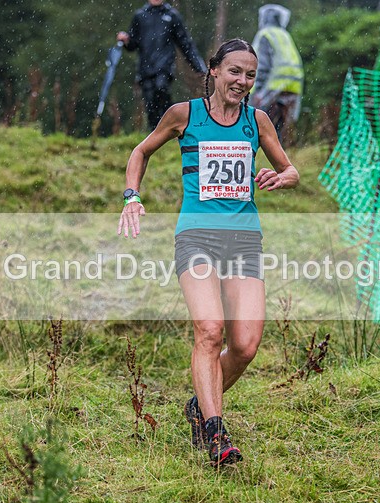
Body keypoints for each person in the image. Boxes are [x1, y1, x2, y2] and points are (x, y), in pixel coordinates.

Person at [118, 39, 299, 467]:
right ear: (214, 71)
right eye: (234, 71)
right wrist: (131, 196)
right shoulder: (185, 115)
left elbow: (291, 170)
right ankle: (215, 431)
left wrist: (280, 177)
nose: (242, 81)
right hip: (196, 237)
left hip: (243, 241)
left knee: (246, 344)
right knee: (209, 329)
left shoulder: (257, 121)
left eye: (251, 75)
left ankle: (200, 404)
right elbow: (140, 151)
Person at [117, 0, 208, 130]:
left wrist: (198, 67)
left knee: (161, 89)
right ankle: (153, 134)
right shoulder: (140, 16)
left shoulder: (172, 15)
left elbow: (185, 43)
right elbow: (133, 44)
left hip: (164, 66)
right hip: (145, 67)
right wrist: (126, 40)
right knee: (149, 100)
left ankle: (169, 127)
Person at [250, 4, 304, 143]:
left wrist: (259, 91)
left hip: (273, 88)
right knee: (281, 130)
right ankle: (281, 159)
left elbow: (262, 65)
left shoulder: (265, 35)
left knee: (261, 126)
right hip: (292, 88)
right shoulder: (285, 35)